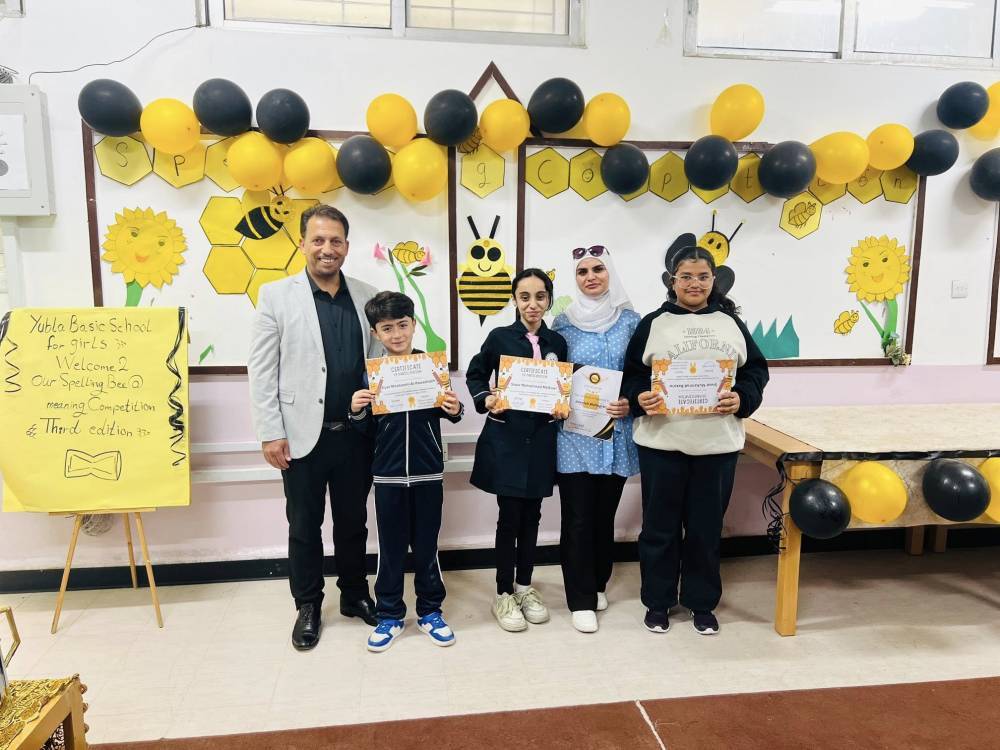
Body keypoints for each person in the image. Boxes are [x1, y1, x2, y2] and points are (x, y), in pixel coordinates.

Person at [248, 204, 383, 651]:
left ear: (347, 245)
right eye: (319, 240)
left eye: (336, 241)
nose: (328, 248)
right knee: (304, 525)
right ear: (302, 243)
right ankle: (307, 604)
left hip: (357, 434)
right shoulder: (276, 296)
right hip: (300, 435)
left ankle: (355, 595)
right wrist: (270, 432)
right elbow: (262, 370)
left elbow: (382, 361)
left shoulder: (367, 295)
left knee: (354, 522)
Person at [622, 246, 769, 636]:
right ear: (673, 281)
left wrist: (743, 398)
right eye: (686, 276)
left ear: (713, 281)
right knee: (659, 529)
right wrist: (639, 396)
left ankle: (702, 604)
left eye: (703, 277)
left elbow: (756, 372)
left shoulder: (731, 323)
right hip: (661, 443)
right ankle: (658, 602)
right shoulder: (653, 323)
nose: (694, 284)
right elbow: (632, 375)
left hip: (716, 446)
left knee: (705, 530)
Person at [348, 291, 464, 652]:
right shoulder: (370, 374)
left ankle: (430, 611)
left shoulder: (431, 368)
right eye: (387, 328)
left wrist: (455, 407)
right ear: (375, 332)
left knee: (427, 547)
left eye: (402, 325)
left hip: (428, 473)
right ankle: (390, 615)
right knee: (391, 549)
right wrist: (357, 410)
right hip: (388, 475)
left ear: (414, 325)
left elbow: (450, 412)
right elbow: (364, 431)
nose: (396, 334)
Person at [465, 268, 568, 632]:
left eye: (540, 297)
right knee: (509, 518)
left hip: (541, 441)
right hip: (507, 441)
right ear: (514, 300)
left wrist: (564, 404)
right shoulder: (500, 338)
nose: (532, 304)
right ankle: (503, 592)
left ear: (549, 300)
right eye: (524, 297)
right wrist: (487, 397)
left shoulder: (557, 342)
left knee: (533, 516)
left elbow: (564, 386)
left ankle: (525, 587)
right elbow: (475, 374)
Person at [551, 246, 641, 633]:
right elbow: (551, 374)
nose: (590, 277)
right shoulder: (561, 324)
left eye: (598, 269)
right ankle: (580, 598)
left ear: (610, 273)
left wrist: (630, 401)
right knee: (577, 518)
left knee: (604, 517)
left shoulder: (632, 322)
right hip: (575, 436)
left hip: (616, 435)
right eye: (582, 271)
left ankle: (599, 581)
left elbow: (641, 373)